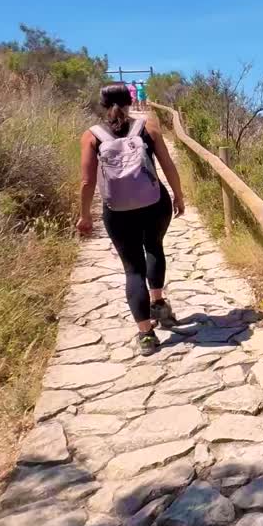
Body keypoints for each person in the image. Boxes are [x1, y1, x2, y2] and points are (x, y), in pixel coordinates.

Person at [77, 83, 186, 355]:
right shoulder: (148, 128)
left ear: (102, 105)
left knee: (132, 269)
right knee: (154, 248)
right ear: (130, 101)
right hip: (154, 202)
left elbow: (87, 181)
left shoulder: (91, 136)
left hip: (117, 211)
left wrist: (84, 215)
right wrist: (178, 195)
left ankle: (146, 334)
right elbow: (167, 165)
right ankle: (159, 304)